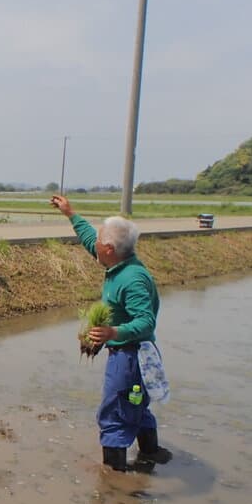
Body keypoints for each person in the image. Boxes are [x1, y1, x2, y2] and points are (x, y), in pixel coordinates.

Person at [51, 195, 173, 472]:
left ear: (107, 249)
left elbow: (146, 322)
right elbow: (88, 238)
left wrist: (112, 332)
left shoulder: (132, 279)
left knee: (114, 413)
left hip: (131, 357)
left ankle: (115, 481)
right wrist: (70, 214)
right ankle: (151, 453)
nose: (94, 242)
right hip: (129, 351)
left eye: (99, 240)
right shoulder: (116, 261)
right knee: (137, 404)